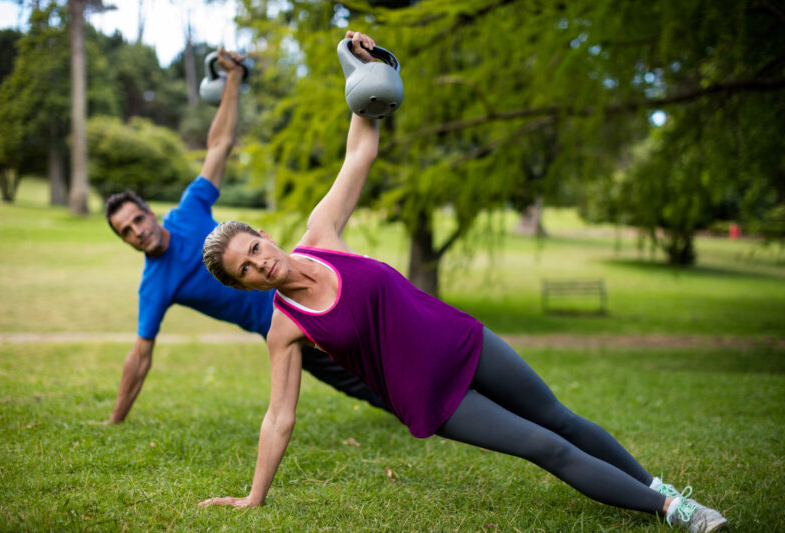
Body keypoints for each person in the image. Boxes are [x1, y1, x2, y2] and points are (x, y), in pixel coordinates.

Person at [197, 32, 727, 533]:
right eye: (243, 270)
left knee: (559, 417)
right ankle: (677, 510)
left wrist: (367, 70)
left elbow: (359, 153)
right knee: (545, 446)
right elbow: (278, 418)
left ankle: (651, 484)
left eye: (254, 249)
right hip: (431, 393)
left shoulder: (322, 233)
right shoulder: (285, 328)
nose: (258, 264)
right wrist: (254, 496)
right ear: (242, 287)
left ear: (264, 237)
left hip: (462, 340)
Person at [103, 46, 385, 425]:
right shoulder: (154, 285)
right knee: (369, 385)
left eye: (137, 219)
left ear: (150, 213)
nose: (138, 231)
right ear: (126, 241)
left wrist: (233, 79)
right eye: (127, 231)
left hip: (311, 288)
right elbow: (140, 355)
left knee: (391, 339)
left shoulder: (187, 211)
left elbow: (219, 145)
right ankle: (426, 412)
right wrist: (115, 419)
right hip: (284, 328)